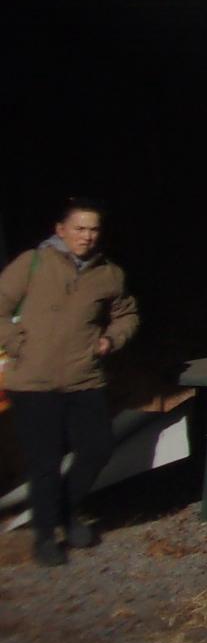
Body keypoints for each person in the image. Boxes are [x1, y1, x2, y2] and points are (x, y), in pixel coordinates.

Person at [0, 199, 139, 566]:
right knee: (45, 461)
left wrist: (110, 340)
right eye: (79, 228)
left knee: (97, 448)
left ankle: (65, 509)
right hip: (33, 381)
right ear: (60, 230)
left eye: (93, 229)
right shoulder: (32, 263)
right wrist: (17, 344)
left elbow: (127, 314)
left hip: (84, 377)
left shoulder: (109, 274)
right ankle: (46, 536)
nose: (87, 236)